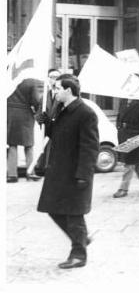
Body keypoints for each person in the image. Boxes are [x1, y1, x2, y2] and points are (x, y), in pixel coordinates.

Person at [36, 74, 99, 269]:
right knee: (53, 209)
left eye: (57, 88)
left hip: (74, 172)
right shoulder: (62, 110)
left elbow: (90, 147)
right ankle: (81, 238)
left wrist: (83, 174)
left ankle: (79, 254)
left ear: (68, 90)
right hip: (59, 170)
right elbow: (55, 135)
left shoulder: (86, 113)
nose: (54, 92)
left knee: (73, 214)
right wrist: (45, 122)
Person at [113, 97, 139, 198]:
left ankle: (123, 189)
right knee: (135, 163)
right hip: (123, 134)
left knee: (129, 164)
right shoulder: (123, 100)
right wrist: (119, 127)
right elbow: (119, 116)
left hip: (135, 136)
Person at [7, 77, 44, 182]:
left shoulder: (8, 78)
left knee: (12, 144)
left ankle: (12, 175)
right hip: (25, 114)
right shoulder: (31, 81)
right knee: (28, 145)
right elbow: (35, 101)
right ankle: (30, 172)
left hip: (9, 112)